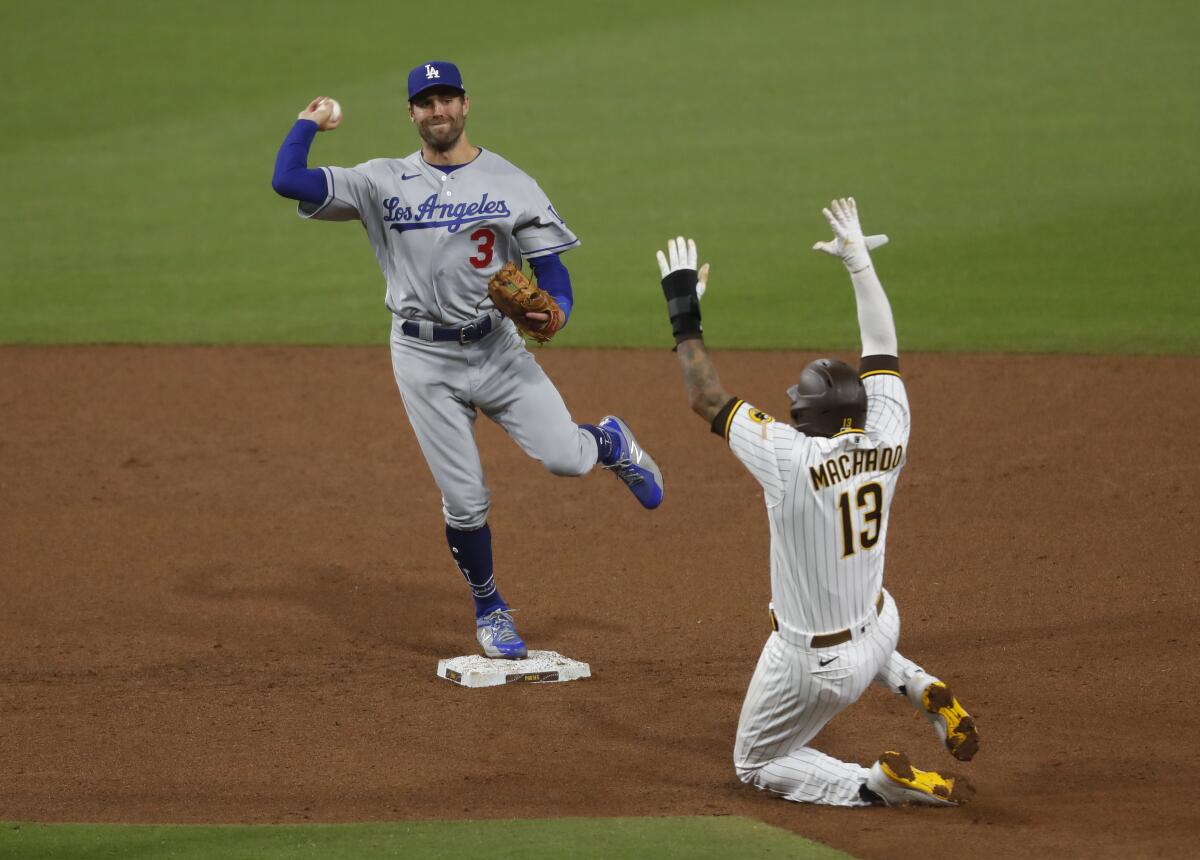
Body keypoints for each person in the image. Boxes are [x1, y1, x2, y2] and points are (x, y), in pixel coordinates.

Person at [270, 61, 664, 660]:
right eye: (425, 102)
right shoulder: (380, 181)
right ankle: (490, 607)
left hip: (496, 349)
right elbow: (287, 181)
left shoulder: (512, 181)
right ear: (411, 113)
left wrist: (556, 309)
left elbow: (552, 269)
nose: (438, 111)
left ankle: (607, 444)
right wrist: (307, 122)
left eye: (446, 99)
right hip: (422, 359)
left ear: (466, 104)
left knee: (564, 459)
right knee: (466, 500)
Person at [654, 198, 979, 807]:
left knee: (754, 762)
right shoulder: (890, 429)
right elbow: (881, 342)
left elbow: (706, 397)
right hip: (882, 625)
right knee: (863, 606)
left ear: (808, 417)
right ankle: (918, 684)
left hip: (818, 669)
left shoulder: (790, 459)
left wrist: (683, 312)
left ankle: (872, 786)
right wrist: (858, 262)